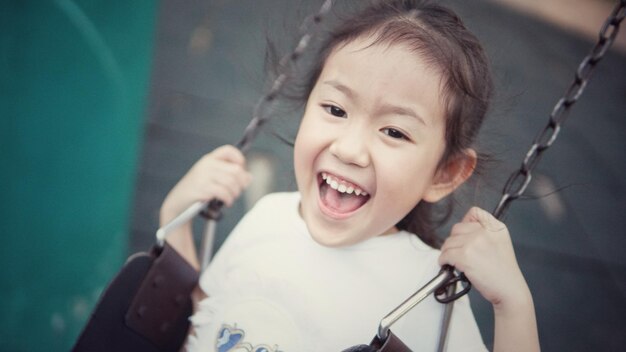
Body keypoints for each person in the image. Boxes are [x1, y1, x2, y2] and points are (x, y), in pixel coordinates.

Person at [159, 0, 540, 351]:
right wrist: (175, 218)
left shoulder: (428, 290)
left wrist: (513, 306)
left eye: (394, 131)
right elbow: (204, 319)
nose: (349, 149)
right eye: (336, 109)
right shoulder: (268, 215)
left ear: (444, 173)